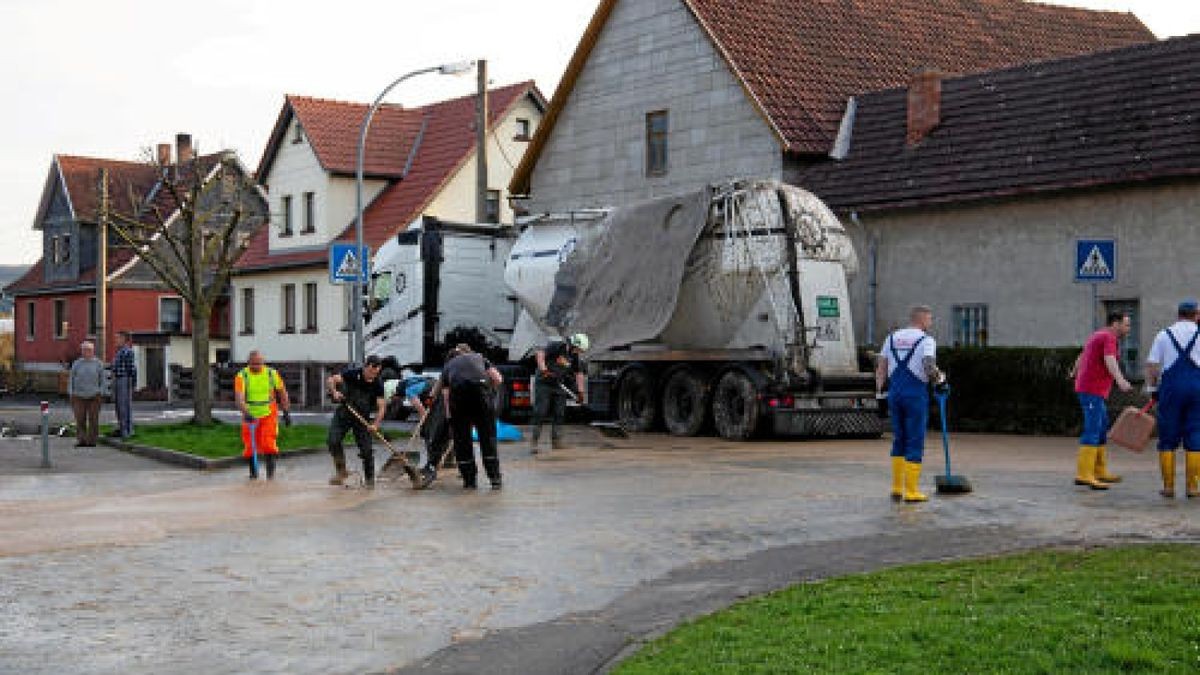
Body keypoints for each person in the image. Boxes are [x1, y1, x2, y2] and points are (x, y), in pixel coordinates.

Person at [875, 305, 946, 503]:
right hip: (915, 395)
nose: (931, 323)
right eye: (930, 320)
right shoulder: (926, 340)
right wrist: (940, 381)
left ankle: (897, 488)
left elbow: (881, 368)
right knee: (915, 440)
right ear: (922, 320)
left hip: (894, 394)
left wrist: (879, 394)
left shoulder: (891, 338)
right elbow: (928, 365)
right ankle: (912, 491)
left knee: (899, 439)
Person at [1069, 313, 1133, 490]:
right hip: (1092, 390)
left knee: (1102, 426)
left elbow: (1082, 355)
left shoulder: (1098, 335)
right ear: (1115, 323)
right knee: (1093, 428)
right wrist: (1120, 380)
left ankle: (1099, 471)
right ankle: (1084, 474)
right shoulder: (1108, 337)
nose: (1129, 329)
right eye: (1126, 325)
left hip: (1092, 389)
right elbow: (1109, 360)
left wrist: (1074, 371)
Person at [1146, 300, 1200, 499]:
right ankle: (1193, 488)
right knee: (1196, 434)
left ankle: (1168, 487)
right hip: (1197, 389)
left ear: (1178, 315)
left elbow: (1152, 365)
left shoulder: (1163, 335)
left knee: (1167, 437)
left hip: (1170, 390)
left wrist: (1152, 389)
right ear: (1196, 315)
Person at [441, 344, 504, 489]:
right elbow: (498, 379)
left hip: (459, 401)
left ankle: (469, 481)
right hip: (482, 398)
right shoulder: (480, 358)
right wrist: (490, 391)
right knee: (488, 439)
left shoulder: (448, 366)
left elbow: (446, 395)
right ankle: (495, 479)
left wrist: (449, 416)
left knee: (462, 441)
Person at [326, 355, 388, 488]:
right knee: (333, 441)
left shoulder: (378, 384)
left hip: (362, 419)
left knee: (366, 451)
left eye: (376, 373)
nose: (373, 376)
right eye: (372, 372)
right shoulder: (352, 374)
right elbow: (331, 379)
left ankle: (370, 481)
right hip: (344, 414)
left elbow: (382, 407)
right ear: (366, 367)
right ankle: (341, 472)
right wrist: (334, 391)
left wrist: (375, 425)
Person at [234, 350, 292, 481]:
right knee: (250, 445)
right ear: (248, 363)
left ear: (263, 363)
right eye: (254, 364)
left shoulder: (272, 374)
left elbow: (282, 393)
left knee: (268, 443)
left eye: (259, 364)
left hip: (269, 413)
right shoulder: (242, 376)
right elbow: (239, 398)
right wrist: (246, 413)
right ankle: (253, 474)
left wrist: (286, 412)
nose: (257, 367)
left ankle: (270, 475)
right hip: (250, 413)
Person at [529, 333, 589, 454]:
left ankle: (557, 442)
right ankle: (534, 442)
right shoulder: (557, 346)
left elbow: (579, 374)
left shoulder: (574, 356)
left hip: (559, 385)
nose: (579, 352)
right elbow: (540, 355)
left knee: (559, 413)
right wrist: (544, 370)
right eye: (579, 349)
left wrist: (581, 392)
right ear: (573, 345)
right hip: (544, 383)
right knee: (541, 412)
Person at [399, 367, 453, 489]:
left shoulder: (409, 390)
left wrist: (425, 423)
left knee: (432, 432)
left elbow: (423, 412)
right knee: (442, 432)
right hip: (438, 397)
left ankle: (434, 464)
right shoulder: (415, 381)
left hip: (440, 399)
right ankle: (440, 462)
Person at [68, 341, 105, 447]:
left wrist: (101, 392)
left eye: (88, 350)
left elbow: (102, 379)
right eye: (84, 350)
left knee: (93, 419)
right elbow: (71, 378)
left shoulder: (98, 363)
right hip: (78, 395)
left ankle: (92, 440)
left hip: (94, 395)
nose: (86, 352)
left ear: (93, 351)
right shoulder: (77, 363)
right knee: (80, 418)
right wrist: (71, 392)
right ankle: (82, 440)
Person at [110, 331, 136, 438]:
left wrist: (132, 383)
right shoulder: (119, 352)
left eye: (118, 338)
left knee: (124, 406)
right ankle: (121, 429)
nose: (116, 340)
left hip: (124, 380)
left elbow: (132, 369)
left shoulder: (127, 351)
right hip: (117, 379)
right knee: (118, 406)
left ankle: (127, 431)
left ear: (124, 339)